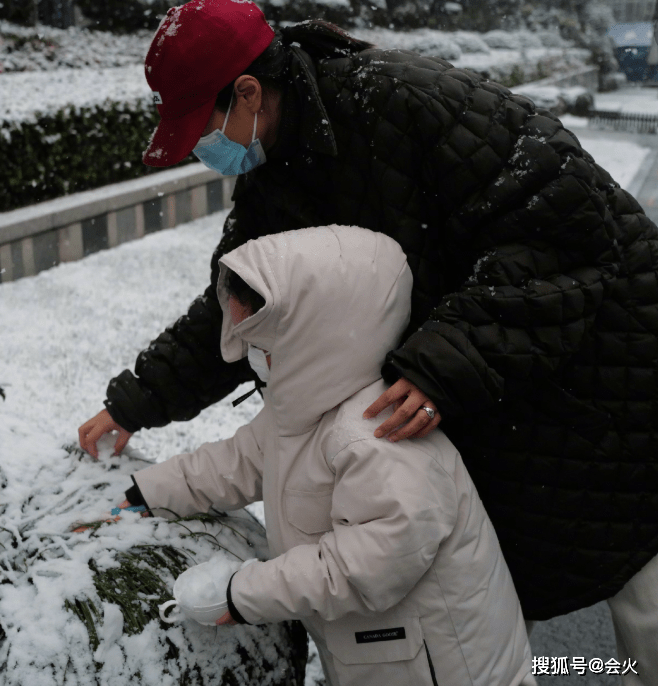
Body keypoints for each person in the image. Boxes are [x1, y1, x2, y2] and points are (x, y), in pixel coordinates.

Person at [78, 0, 658, 677]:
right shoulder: (276, 170)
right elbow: (244, 307)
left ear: (247, 92)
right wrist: (138, 400)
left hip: (609, 388)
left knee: (640, 587)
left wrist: (448, 359)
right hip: (490, 414)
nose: (207, 150)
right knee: (482, 633)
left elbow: (565, 228)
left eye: (203, 127)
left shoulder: (406, 101)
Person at [120, 226, 534, 686]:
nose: (250, 357)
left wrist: (240, 594)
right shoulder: (302, 410)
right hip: (384, 658)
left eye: (259, 342)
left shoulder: (377, 435)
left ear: (312, 337)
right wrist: (145, 492)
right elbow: (233, 462)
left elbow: (363, 567)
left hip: (448, 667)